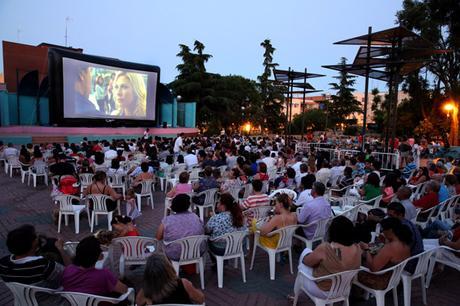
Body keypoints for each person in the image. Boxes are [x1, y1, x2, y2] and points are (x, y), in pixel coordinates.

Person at [295, 216, 362, 299]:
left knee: (304, 256)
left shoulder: (326, 248)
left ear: (333, 232)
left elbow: (307, 262)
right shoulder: (357, 247)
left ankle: (295, 296)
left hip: (324, 291)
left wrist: (308, 256)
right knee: (314, 257)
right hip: (344, 288)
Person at [0, 225, 70, 288]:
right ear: (33, 243)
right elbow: (70, 273)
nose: (38, 237)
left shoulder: (3, 264)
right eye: (35, 236)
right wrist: (61, 249)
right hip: (51, 299)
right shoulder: (43, 265)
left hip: (22, 299)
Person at [62, 236, 128, 296]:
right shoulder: (104, 274)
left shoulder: (67, 270)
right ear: (98, 255)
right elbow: (124, 290)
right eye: (99, 248)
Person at [358, 217, 412, 290]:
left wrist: (366, 249)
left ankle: (356, 295)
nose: (382, 232)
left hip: (381, 281)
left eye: (383, 229)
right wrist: (385, 241)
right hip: (394, 277)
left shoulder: (390, 247)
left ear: (390, 230)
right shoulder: (405, 242)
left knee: (353, 268)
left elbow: (373, 268)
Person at [135, 254, 205, 305]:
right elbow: (201, 299)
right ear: (168, 268)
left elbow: (138, 303)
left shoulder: (147, 289)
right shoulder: (183, 283)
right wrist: (196, 290)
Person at [156, 194, 204, 260]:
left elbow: (158, 237)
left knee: (160, 246)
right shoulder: (195, 217)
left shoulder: (168, 220)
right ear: (188, 205)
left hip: (175, 254)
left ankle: (169, 267)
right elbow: (202, 229)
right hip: (196, 251)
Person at [386, 202, 424, 272]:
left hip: (409, 264)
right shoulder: (406, 223)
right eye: (388, 215)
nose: (388, 218)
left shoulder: (403, 229)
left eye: (391, 216)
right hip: (416, 260)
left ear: (400, 215)